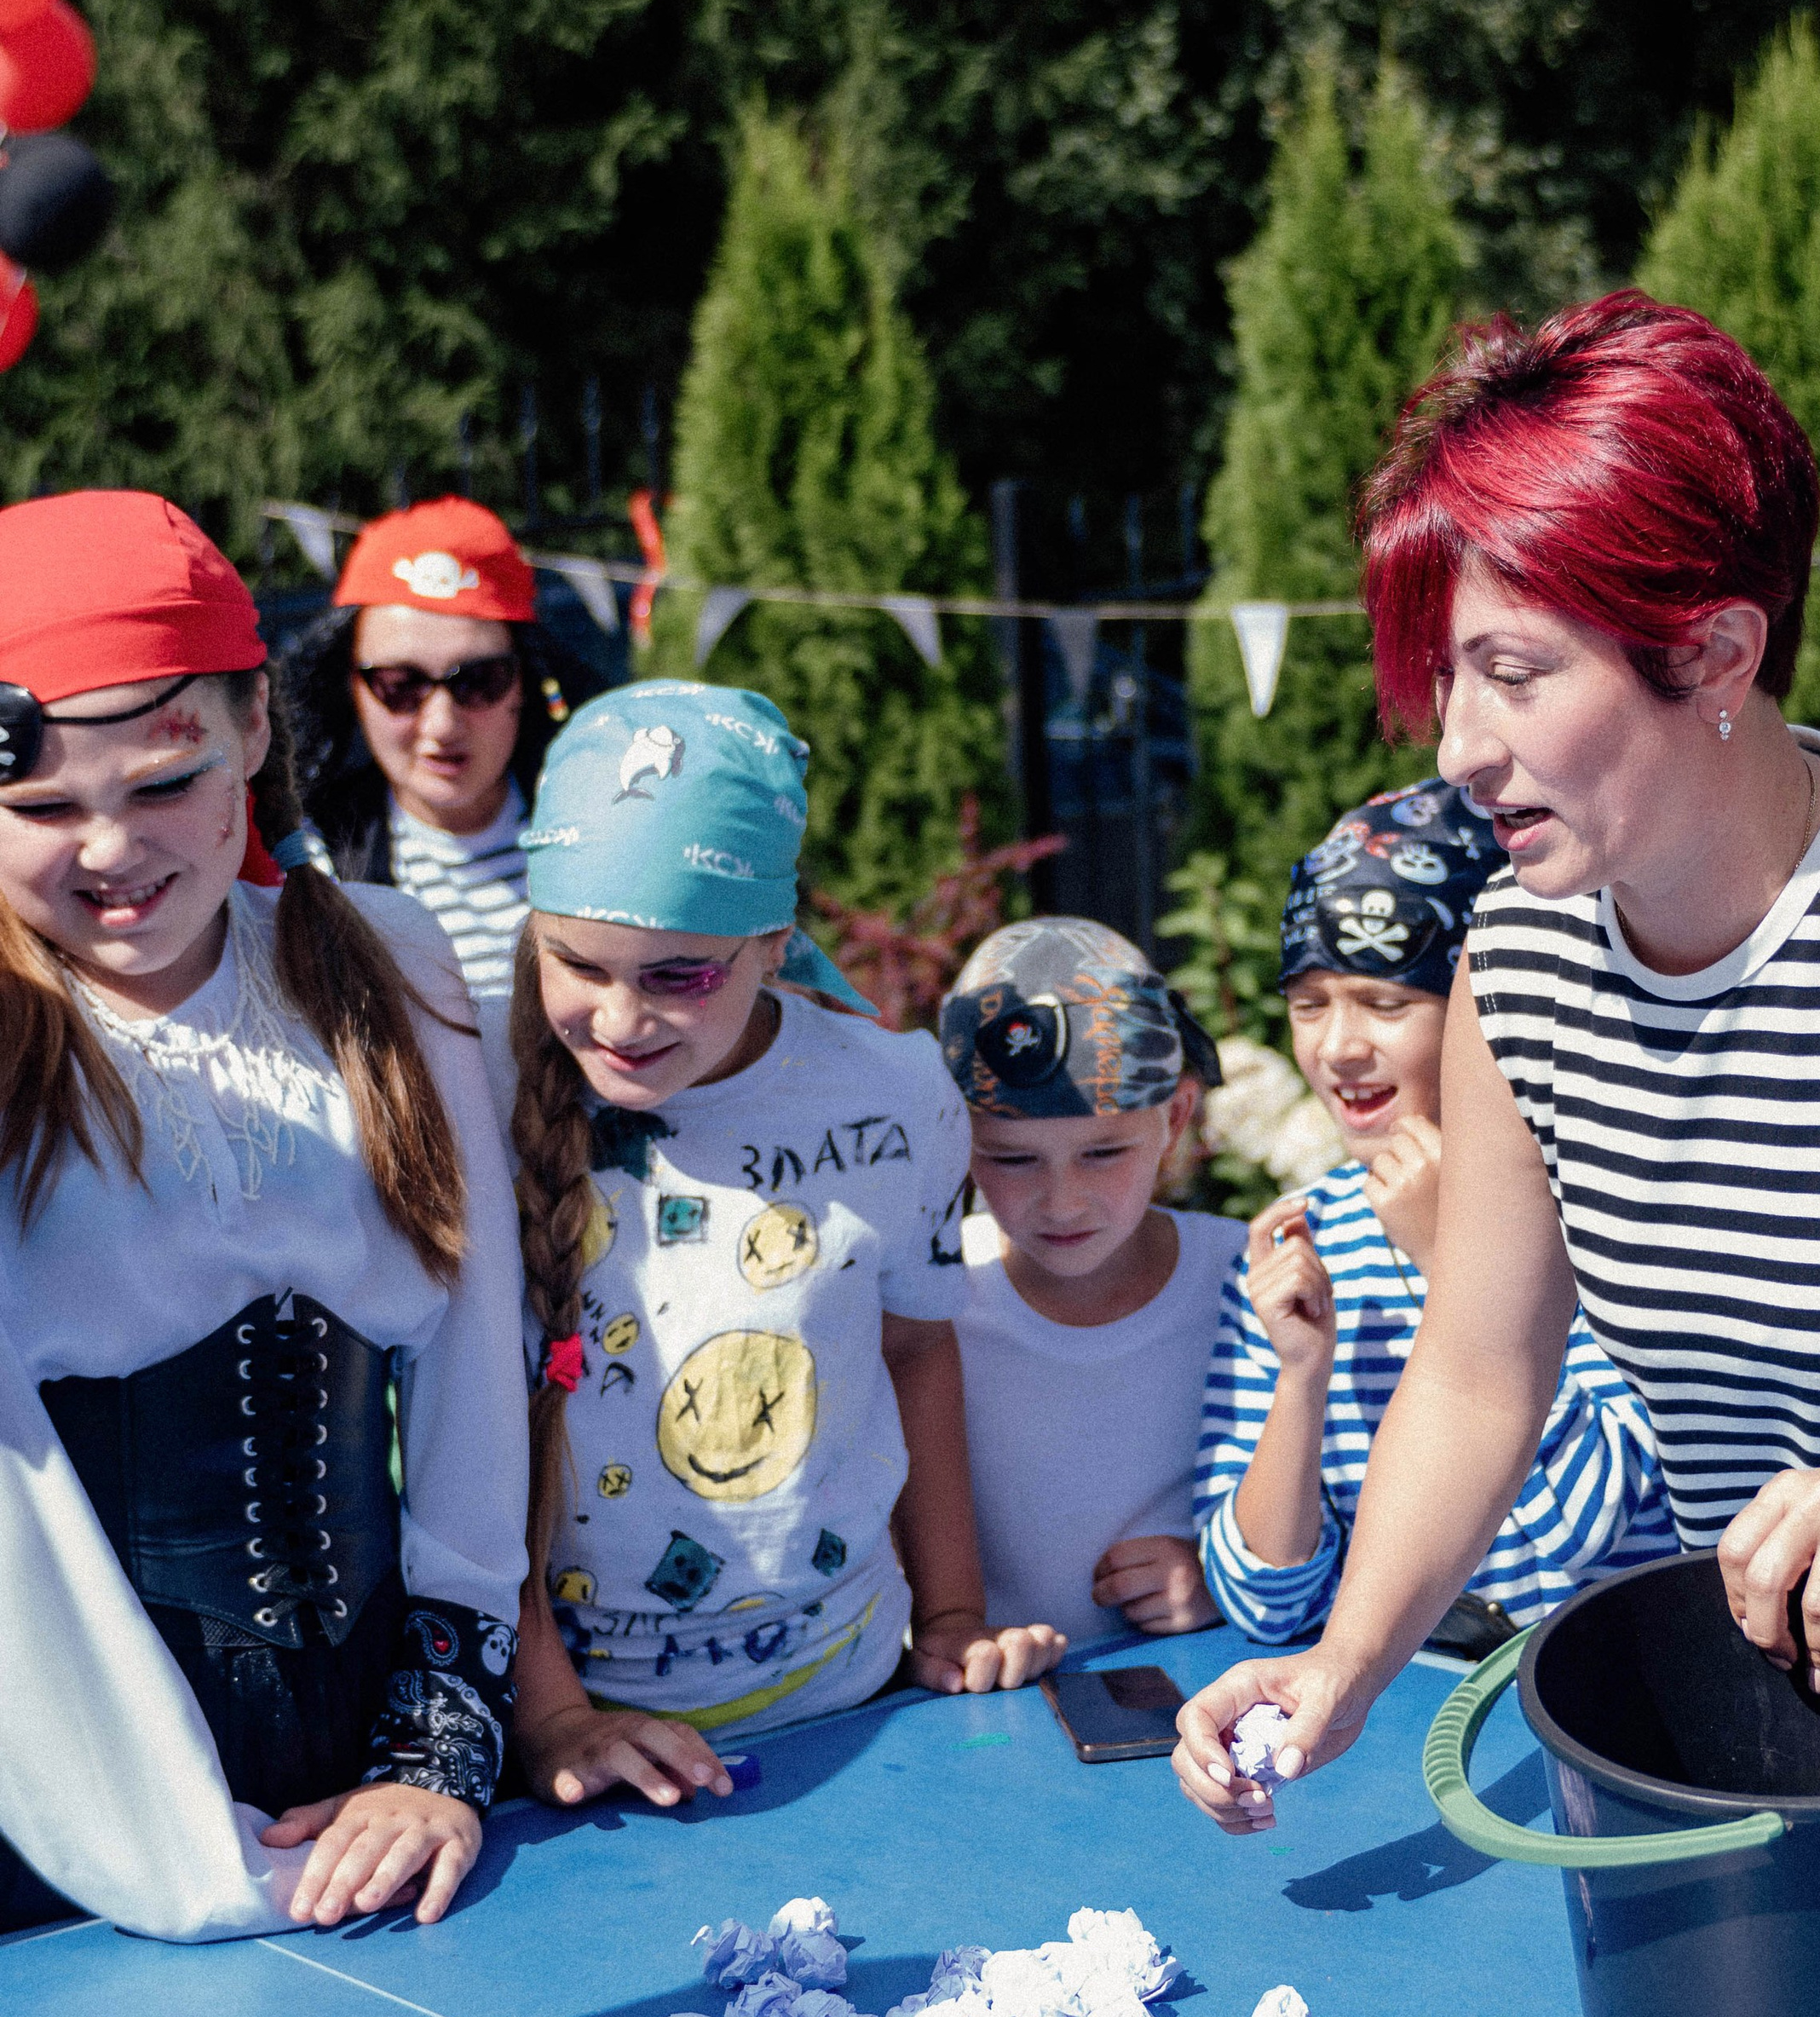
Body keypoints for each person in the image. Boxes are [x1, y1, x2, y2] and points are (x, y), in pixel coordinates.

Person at [1174, 291, 1820, 1837]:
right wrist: (1348, 1663)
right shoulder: (1522, 955)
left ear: (1712, 651)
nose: (1456, 747)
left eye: (1514, 675)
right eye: (1447, 678)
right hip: (1805, 1788)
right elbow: (1479, 1371)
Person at [0, 489, 530, 1936]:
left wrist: (437, 1749)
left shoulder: (394, 964)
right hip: (60, 1813)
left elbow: (480, 1374)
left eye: (164, 779)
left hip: (379, 1790)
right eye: (44, 807)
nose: (113, 852)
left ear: (253, 727)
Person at [504, 679, 1065, 1812]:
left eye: (678, 976)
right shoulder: (485, 1093)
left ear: (774, 941)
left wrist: (952, 1616)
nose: (620, 1022)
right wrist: (553, 1715)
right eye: (579, 966)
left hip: (850, 1707)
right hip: (573, 1746)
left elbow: (915, 1353)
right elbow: (465, 1439)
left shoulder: (894, 1093)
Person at [1195, 779, 1674, 1645]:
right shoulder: (1301, 1241)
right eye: (1308, 1005)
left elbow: (1590, 1529)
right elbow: (1266, 1606)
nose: (1338, 1047)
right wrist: (1301, 1381)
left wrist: (1455, 1263)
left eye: (1386, 1003)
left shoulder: (1615, 1211)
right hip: (1396, 1724)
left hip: (1596, 1704)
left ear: (1492, 1010)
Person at [939, 917, 1239, 1651]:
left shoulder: (1249, 1279)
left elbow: (1350, 1492)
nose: (1063, 1201)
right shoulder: (934, 1307)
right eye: (1011, 1159)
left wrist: (1227, 1579)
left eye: (1103, 1152)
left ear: (1174, 1117)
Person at [280, 493, 598, 1001]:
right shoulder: (310, 861)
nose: (442, 725)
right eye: (400, 685)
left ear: (527, 682)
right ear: (350, 690)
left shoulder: (599, 832)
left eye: (478, 681)